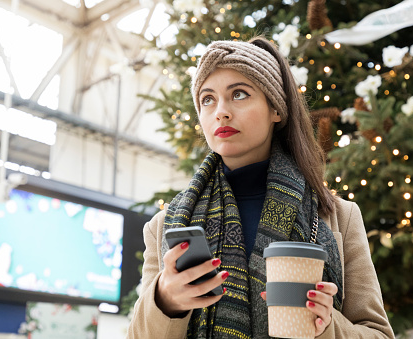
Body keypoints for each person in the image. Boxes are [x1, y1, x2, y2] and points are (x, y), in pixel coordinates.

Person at [127, 36, 395, 339]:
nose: (221, 112)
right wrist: (164, 300)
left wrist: (327, 325)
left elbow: (378, 334)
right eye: (207, 99)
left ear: (275, 109)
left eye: (239, 94)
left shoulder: (338, 216)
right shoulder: (165, 226)